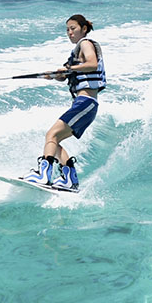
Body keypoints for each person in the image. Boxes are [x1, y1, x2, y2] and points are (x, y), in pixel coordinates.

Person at [22, 14, 106, 190]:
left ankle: (44, 175)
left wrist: (68, 69)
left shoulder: (85, 43)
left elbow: (92, 63)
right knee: (54, 140)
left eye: (73, 28)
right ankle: (69, 178)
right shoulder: (77, 51)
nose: (69, 32)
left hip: (86, 102)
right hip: (84, 105)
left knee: (51, 135)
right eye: (67, 29)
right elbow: (68, 74)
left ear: (83, 29)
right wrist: (53, 75)